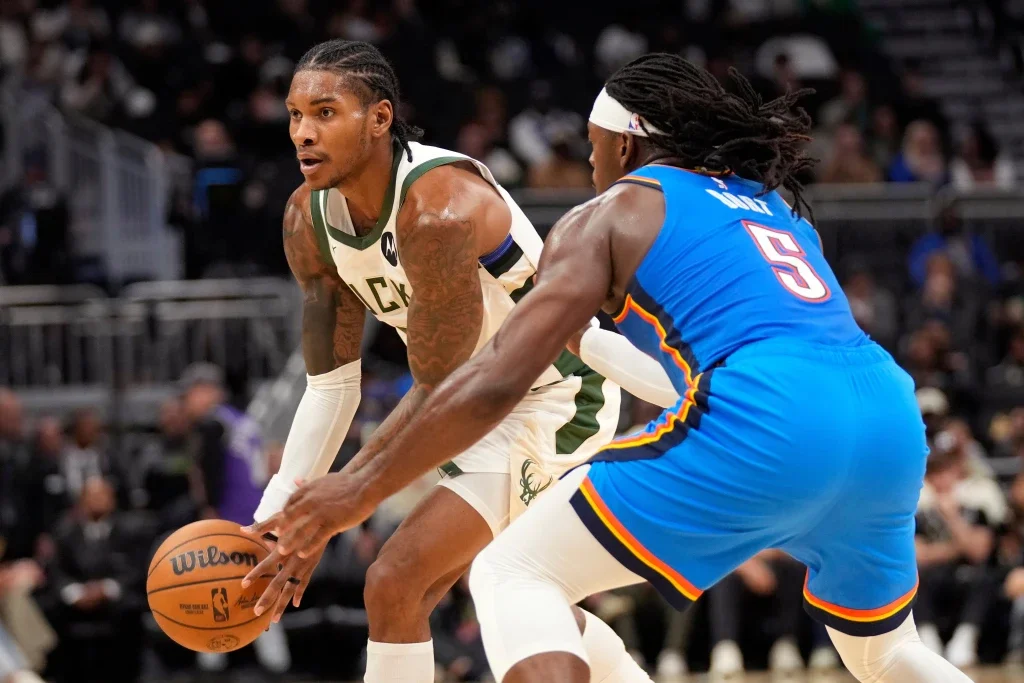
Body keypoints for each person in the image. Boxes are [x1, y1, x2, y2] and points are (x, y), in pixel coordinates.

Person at [267, 53, 975, 683]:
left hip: (745, 409)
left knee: (512, 572)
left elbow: (494, 380)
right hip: (885, 412)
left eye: (593, 144)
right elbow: (629, 348)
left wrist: (352, 493)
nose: (590, 162)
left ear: (625, 143)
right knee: (886, 655)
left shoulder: (606, 212)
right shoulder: (772, 206)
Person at [242, 40, 638, 683]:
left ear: (379, 118)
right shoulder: (306, 221)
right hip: (468, 400)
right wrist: (281, 513)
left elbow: (439, 382)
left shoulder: (438, 209)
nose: (303, 133)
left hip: (553, 392)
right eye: (294, 115)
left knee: (401, 579)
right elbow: (333, 386)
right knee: (443, 589)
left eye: (325, 112)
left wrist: (339, 502)